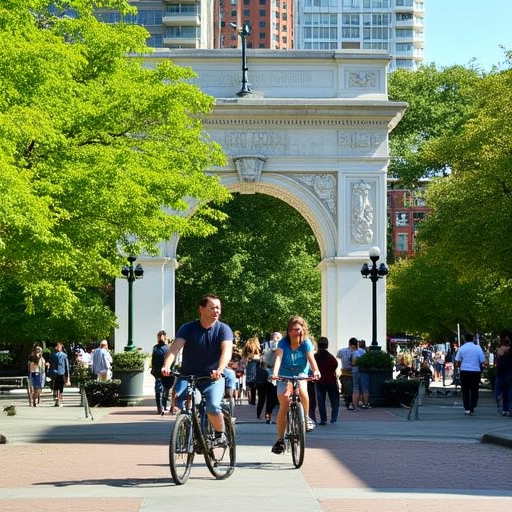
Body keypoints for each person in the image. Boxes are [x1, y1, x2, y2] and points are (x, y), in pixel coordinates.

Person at [162, 294, 233, 447]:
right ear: (201, 309)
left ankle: (221, 434)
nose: (217, 311)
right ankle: (189, 432)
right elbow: (174, 350)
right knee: (185, 401)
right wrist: (167, 365)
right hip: (188, 376)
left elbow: (226, 352)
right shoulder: (187, 328)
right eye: (212, 308)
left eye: (218, 308)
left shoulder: (223, 329)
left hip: (212, 377)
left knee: (213, 406)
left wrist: (219, 369)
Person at [270, 316, 321, 455]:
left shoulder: (306, 343)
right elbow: (279, 357)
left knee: (303, 390)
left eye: (297, 329)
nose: (294, 332)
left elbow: (311, 359)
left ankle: (305, 417)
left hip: (300, 373)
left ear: (303, 329)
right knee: (284, 403)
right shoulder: (283, 343)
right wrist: (274, 372)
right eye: (291, 329)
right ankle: (280, 439)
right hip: (284, 374)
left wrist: (316, 370)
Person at [455, 333, 486, 415]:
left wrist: (459, 367)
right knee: (474, 389)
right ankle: (473, 405)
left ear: (464, 339)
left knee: (465, 390)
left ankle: (467, 408)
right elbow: (482, 360)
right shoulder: (477, 348)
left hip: (464, 371)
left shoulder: (461, 348)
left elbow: (457, 360)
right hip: (475, 371)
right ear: (473, 339)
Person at [314, 337, 340, 424]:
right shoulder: (331, 357)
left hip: (319, 380)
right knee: (334, 399)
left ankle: (323, 419)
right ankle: (334, 418)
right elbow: (335, 365)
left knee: (321, 401)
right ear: (327, 345)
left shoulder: (316, 357)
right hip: (331, 380)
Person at [151, 330, 175, 415]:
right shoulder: (168, 348)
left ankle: (159, 407)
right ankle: (166, 405)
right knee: (167, 389)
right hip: (167, 371)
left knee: (158, 389)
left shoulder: (155, 348)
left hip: (158, 372)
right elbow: (172, 360)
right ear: (165, 338)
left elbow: (153, 361)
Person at [494, 332, 512, 417]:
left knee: (506, 392)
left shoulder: (506, 354)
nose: (505, 348)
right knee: (503, 392)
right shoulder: (499, 353)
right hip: (502, 375)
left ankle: (506, 409)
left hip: (505, 375)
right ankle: (504, 408)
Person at [337, 337, 357, 410]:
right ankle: (353, 403)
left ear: (349, 343)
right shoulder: (359, 351)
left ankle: (348, 403)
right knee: (355, 389)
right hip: (356, 372)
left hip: (345, 373)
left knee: (347, 390)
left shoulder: (342, 351)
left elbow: (338, 356)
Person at [48, 342, 70, 407]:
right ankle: (59, 400)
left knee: (56, 386)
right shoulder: (64, 355)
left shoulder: (53, 355)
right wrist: (68, 377)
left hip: (54, 373)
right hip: (61, 373)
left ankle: (57, 400)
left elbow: (50, 364)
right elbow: (66, 366)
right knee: (60, 387)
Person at [242, 336, 262, 406]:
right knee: (255, 386)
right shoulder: (257, 355)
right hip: (256, 372)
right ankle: (253, 400)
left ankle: (251, 400)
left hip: (248, 372)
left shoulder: (246, 355)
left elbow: (243, 362)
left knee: (250, 386)